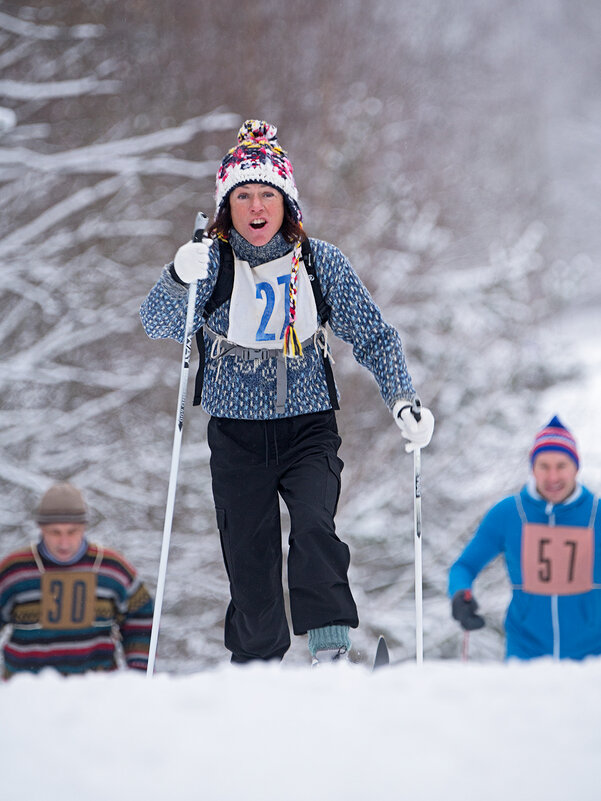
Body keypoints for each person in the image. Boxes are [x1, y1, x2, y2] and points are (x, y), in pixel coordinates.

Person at [140, 119, 434, 665]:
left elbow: (373, 334)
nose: (256, 207)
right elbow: (158, 323)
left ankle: (330, 651)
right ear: (228, 205)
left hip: (308, 427)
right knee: (249, 560)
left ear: (286, 203)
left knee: (315, 526)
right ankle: (257, 668)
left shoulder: (320, 262)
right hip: (236, 436)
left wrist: (402, 399)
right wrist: (179, 276)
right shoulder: (211, 262)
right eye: (244, 195)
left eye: (267, 195)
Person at [449, 416, 601, 660]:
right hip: (526, 654)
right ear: (533, 468)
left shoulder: (597, 514)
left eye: (561, 466)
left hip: (593, 657)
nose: (552, 477)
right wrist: (460, 595)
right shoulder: (509, 514)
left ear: (576, 466)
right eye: (544, 466)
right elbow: (464, 566)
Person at [0, 483, 154, 678]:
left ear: (84, 527)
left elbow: (141, 617)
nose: (64, 543)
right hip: (28, 689)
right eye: (55, 532)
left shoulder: (112, 569)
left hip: (95, 689)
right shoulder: (15, 570)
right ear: (41, 528)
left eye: (72, 532)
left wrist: (139, 671)